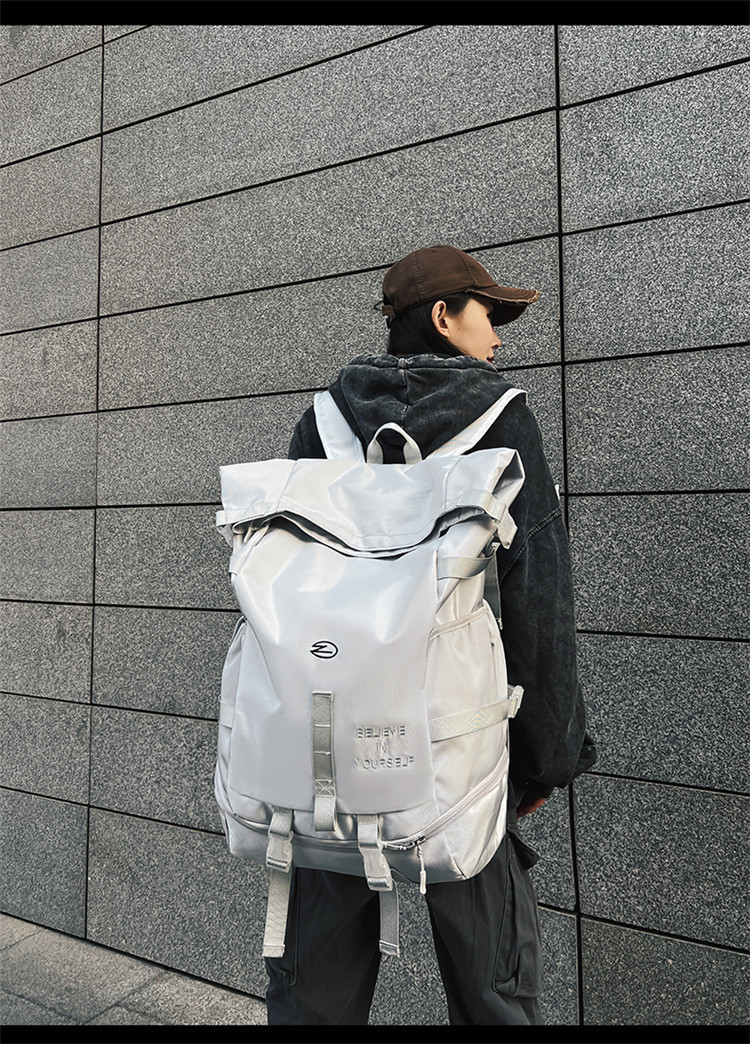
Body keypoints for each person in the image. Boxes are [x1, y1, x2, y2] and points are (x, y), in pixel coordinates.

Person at [265, 244, 597, 1026]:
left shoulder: (323, 421)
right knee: (493, 988)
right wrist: (546, 756)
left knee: (313, 992)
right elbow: (538, 598)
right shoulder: (501, 418)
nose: (499, 336)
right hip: (463, 739)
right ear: (444, 316)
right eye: (489, 314)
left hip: (334, 744)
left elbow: (285, 587)